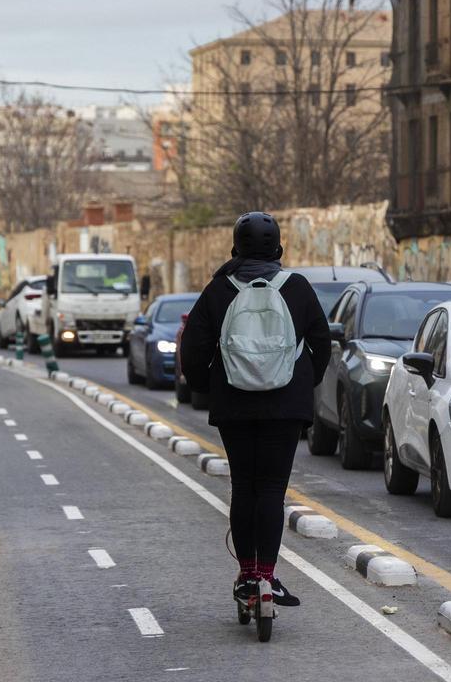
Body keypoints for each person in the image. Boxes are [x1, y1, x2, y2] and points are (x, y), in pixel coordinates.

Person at [180, 212, 331, 610]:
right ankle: (268, 576)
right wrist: (302, 381)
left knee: (244, 486)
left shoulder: (218, 290)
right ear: (279, 248)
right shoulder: (297, 288)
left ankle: (247, 576)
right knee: (272, 489)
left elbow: (193, 349)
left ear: (236, 248)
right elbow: (322, 341)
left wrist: (205, 386)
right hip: (286, 406)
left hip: (234, 405)